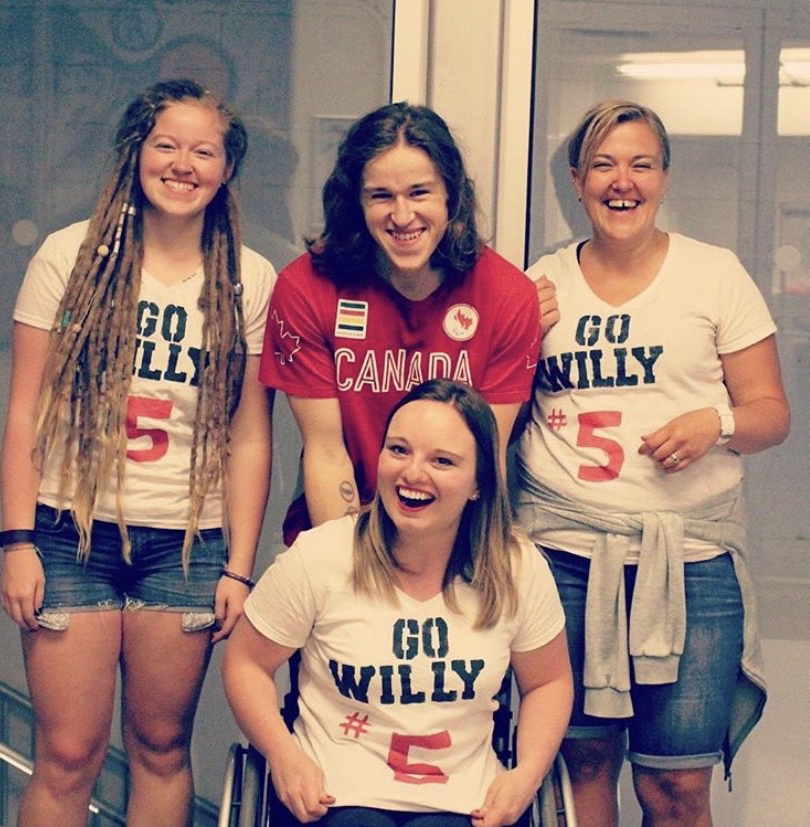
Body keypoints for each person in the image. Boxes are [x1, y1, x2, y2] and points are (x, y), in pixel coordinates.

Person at [0, 78, 275, 827]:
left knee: (159, 746)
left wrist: (241, 566)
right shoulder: (69, 257)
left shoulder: (251, 278)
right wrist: (16, 540)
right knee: (67, 752)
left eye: (203, 150)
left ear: (225, 168)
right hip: (66, 536)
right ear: (136, 153)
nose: (183, 164)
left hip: (184, 547)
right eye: (167, 145)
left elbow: (251, 432)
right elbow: (26, 410)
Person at [515, 99, 791, 827]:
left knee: (676, 788)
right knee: (580, 773)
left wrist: (717, 422)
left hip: (691, 561)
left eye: (640, 163)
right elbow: (494, 414)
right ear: (576, 181)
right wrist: (515, 337)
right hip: (563, 557)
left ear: (664, 178)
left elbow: (772, 414)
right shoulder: (539, 284)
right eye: (603, 164)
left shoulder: (715, 274)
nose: (621, 180)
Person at [223, 378, 572, 827]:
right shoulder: (321, 556)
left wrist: (525, 776)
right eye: (399, 450)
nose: (412, 473)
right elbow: (246, 663)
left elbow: (549, 682)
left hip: (465, 801)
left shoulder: (515, 566)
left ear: (478, 484)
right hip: (335, 795)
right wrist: (284, 755)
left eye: (442, 461)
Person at [259, 101, 545, 546]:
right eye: (381, 196)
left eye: (419, 192)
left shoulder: (508, 295)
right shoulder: (306, 287)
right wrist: (354, 567)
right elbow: (327, 452)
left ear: (451, 195)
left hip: (454, 544)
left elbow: (480, 462)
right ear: (356, 201)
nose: (402, 215)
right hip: (337, 530)